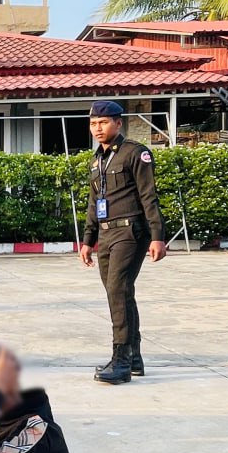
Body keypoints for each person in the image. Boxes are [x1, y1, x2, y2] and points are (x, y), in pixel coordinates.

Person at [79, 100, 167, 385]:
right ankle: (134, 357)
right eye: (93, 124)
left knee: (118, 289)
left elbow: (149, 196)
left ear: (118, 123)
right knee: (119, 293)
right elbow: (94, 202)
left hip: (131, 232)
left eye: (103, 123)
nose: (97, 128)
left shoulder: (135, 153)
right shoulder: (97, 159)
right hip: (106, 234)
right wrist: (88, 239)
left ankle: (121, 361)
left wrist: (158, 236)